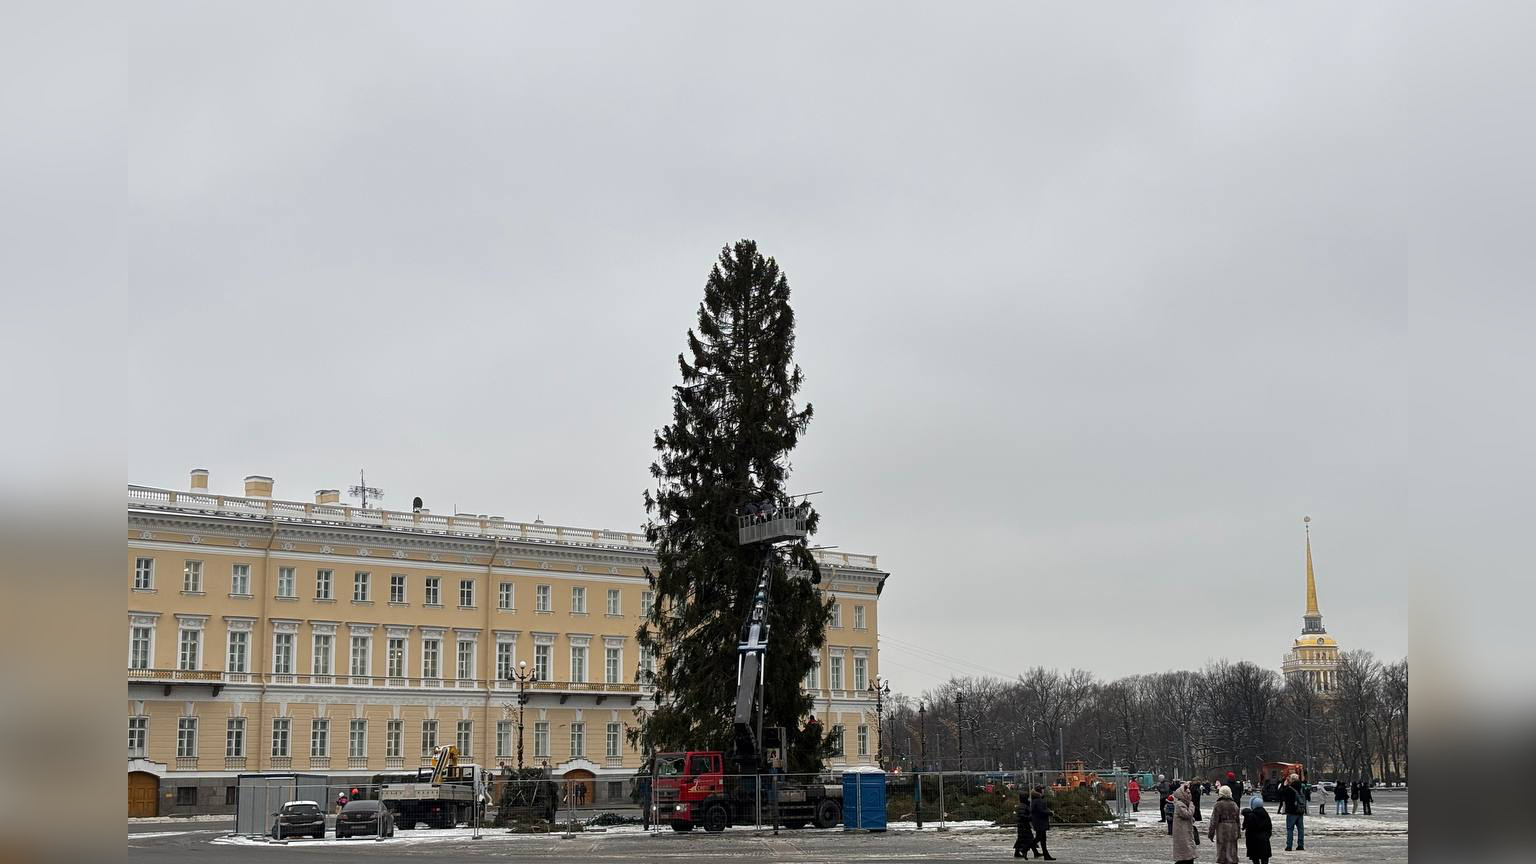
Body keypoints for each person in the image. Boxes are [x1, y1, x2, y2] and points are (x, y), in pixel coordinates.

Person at [1208, 785, 1241, 864]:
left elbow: (1214, 821)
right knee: (1232, 848)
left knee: (1222, 849)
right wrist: (1238, 833)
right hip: (1233, 828)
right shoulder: (1234, 804)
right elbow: (1238, 820)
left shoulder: (1218, 805)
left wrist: (1211, 834)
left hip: (1222, 829)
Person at [1277, 773, 1305, 852]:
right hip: (1300, 811)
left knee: (1290, 829)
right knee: (1300, 829)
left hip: (1291, 812)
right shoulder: (1301, 787)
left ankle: (1289, 846)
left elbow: (1280, 793)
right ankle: (1300, 845)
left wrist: (1284, 784)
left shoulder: (1289, 788)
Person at [1171, 783, 1198, 864]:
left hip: (1185, 832)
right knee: (1185, 855)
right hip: (1182, 833)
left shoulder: (1183, 804)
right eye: (1188, 793)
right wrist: (1192, 805)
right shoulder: (1179, 804)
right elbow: (1187, 814)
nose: (1189, 795)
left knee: (1188, 855)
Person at [1242, 794, 1273, 864]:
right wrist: (1267, 836)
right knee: (1264, 859)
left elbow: (1248, 830)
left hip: (1254, 841)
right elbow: (1269, 828)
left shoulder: (1251, 816)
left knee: (1255, 859)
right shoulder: (1266, 814)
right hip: (1264, 840)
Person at [1030, 787, 1056, 861]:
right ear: (1040, 792)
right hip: (1040, 822)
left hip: (1038, 822)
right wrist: (1050, 813)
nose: (1043, 791)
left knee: (1041, 839)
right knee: (1041, 839)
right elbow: (1041, 811)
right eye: (1042, 789)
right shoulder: (1038, 801)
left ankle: (1046, 855)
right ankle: (1028, 847)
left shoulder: (1035, 800)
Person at [1013, 791, 1038, 858]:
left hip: (1022, 825)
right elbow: (1023, 816)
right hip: (1024, 826)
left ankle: (1017, 852)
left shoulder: (1023, 805)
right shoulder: (1023, 806)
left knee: (1021, 839)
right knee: (1030, 839)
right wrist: (1030, 817)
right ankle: (1035, 853)